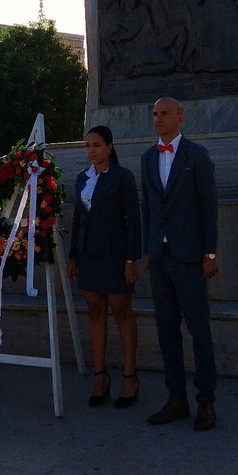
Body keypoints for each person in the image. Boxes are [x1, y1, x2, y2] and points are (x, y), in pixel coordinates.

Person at [141, 97, 219, 431]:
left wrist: (210, 254)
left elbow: (209, 207)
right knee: (166, 331)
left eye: (165, 114)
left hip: (189, 257)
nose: (158, 118)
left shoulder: (197, 156)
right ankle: (176, 398)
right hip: (159, 258)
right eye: (155, 114)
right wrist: (146, 249)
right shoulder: (147, 158)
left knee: (198, 329)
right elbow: (148, 208)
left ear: (181, 118)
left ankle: (206, 402)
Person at [68, 125, 142, 408]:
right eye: (87, 145)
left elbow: (133, 220)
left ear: (109, 147)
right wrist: (73, 254)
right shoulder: (81, 178)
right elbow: (77, 219)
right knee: (95, 311)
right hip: (88, 256)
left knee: (122, 311)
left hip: (115, 255)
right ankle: (100, 375)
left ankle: (129, 376)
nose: (91, 150)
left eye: (97, 145)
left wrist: (130, 258)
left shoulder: (122, 177)